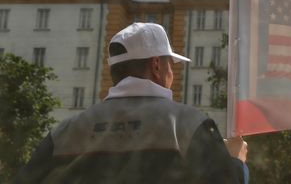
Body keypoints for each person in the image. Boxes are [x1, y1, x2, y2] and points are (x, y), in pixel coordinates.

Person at [13, 22, 249, 183]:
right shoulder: (188, 125)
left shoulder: (63, 133)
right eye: (170, 64)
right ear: (156, 65)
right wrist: (236, 163)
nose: (172, 73)